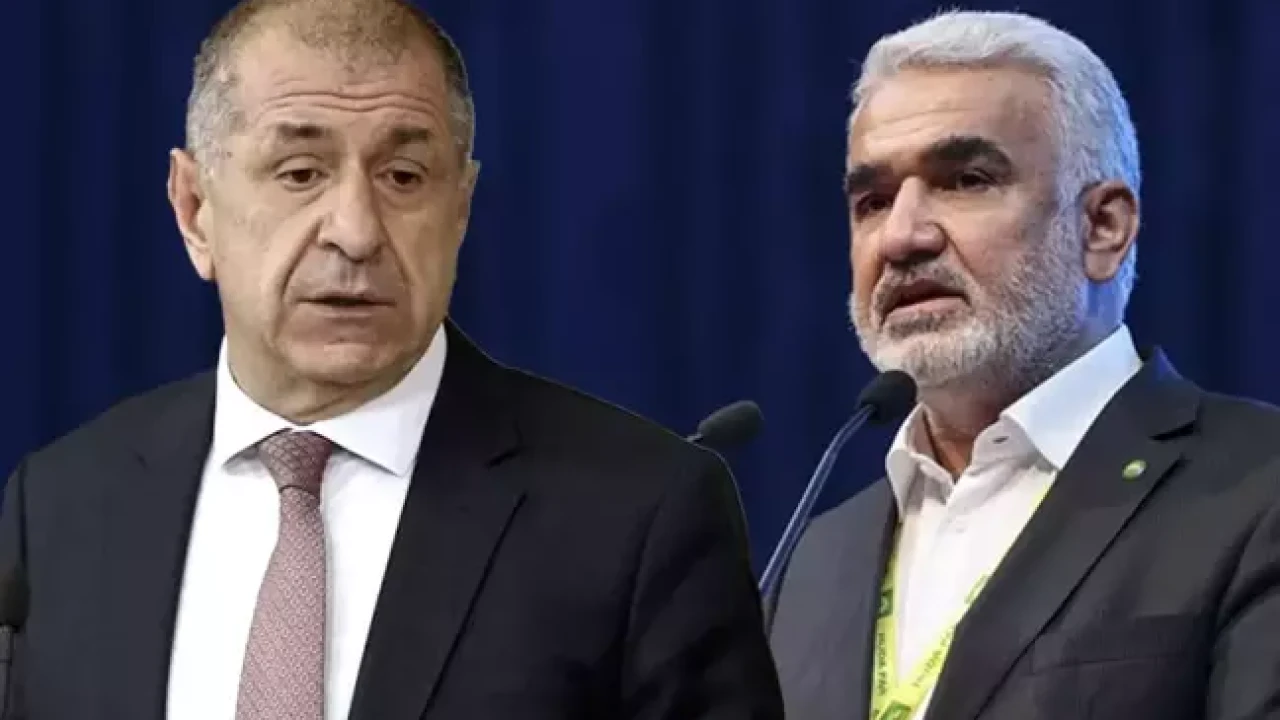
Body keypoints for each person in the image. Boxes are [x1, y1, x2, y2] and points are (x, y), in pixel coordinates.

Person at [0, 1, 784, 718]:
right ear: (194, 208)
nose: (356, 231)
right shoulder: (62, 504)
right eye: (300, 173)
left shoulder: (640, 515)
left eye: (403, 177)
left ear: (460, 209)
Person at [767, 10, 1280, 720]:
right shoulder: (814, 558)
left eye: (965, 180)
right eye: (873, 201)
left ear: (1102, 227)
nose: (902, 236)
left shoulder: (1257, 487)